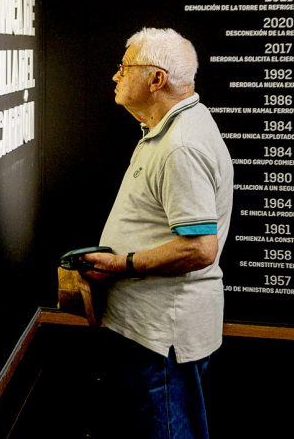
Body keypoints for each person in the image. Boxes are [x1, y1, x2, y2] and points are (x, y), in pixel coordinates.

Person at [82, 27, 233, 439]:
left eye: (125, 67)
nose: (116, 76)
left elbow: (200, 248)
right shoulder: (169, 128)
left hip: (162, 341)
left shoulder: (181, 145)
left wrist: (122, 264)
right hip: (152, 335)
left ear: (156, 79)